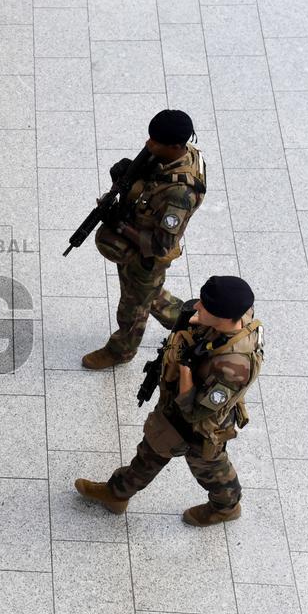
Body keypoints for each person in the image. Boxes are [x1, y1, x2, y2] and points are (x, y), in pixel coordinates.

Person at [75, 276, 263, 526]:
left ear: (225, 318)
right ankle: (117, 493)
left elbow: (196, 412)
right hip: (185, 408)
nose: (197, 307)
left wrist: (185, 370)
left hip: (196, 426)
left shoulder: (232, 367)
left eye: (205, 307)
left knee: (206, 465)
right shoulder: (239, 313)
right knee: (155, 454)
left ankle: (226, 507)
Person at [83, 109, 207, 369]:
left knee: (133, 306)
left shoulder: (180, 194)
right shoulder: (180, 153)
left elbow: (161, 244)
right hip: (139, 238)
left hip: (147, 254)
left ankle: (121, 351)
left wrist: (118, 225)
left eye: (155, 142)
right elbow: (153, 181)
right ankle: (192, 321)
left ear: (174, 146)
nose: (148, 145)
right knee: (148, 293)